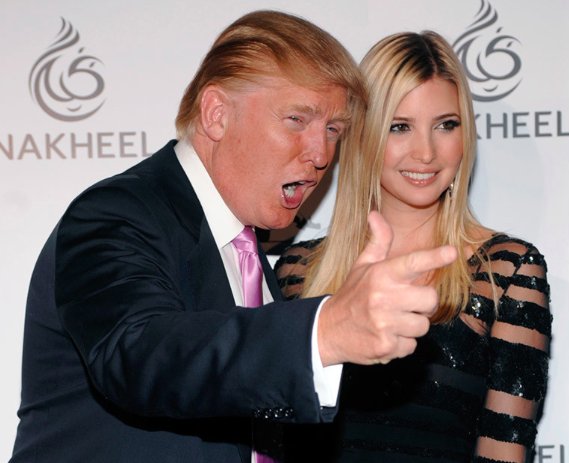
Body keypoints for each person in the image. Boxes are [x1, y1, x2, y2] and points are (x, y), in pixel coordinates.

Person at [10, 13, 458, 463]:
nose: (321, 154)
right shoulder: (116, 213)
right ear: (217, 114)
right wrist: (325, 332)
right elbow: (141, 354)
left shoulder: (247, 251)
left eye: (333, 130)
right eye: (296, 119)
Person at [275, 31, 552, 463]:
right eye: (399, 126)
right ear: (364, 134)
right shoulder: (298, 271)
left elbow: (504, 452)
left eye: (446, 125)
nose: (425, 152)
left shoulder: (506, 272)